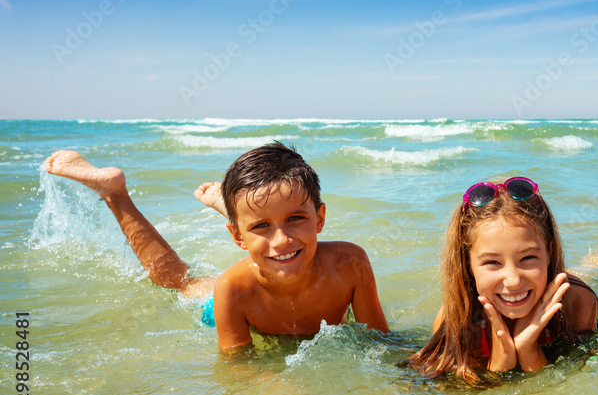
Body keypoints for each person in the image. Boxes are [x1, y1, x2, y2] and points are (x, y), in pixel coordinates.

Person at [42, 142, 388, 352]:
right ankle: (115, 194)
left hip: (258, 263)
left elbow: (379, 340)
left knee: (269, 243)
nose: (282, 239)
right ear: (236, 239)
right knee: (177, 280)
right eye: (262, 226)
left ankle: (243, 212)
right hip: (217, 305)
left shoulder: (350, 263)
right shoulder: (232, 289)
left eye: (297, 219)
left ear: (321, 219)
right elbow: (237, 369)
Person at [408, 177, 598, 384]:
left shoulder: (578, 302)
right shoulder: (457, 317)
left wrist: (529, 352)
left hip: (560, 287)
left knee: (592, 268)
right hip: (535, 285)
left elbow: (575, 379)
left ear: (549, 253)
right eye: (492, 262)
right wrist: (500, 365)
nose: (513, 280)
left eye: (528, 258)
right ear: (467, 265)